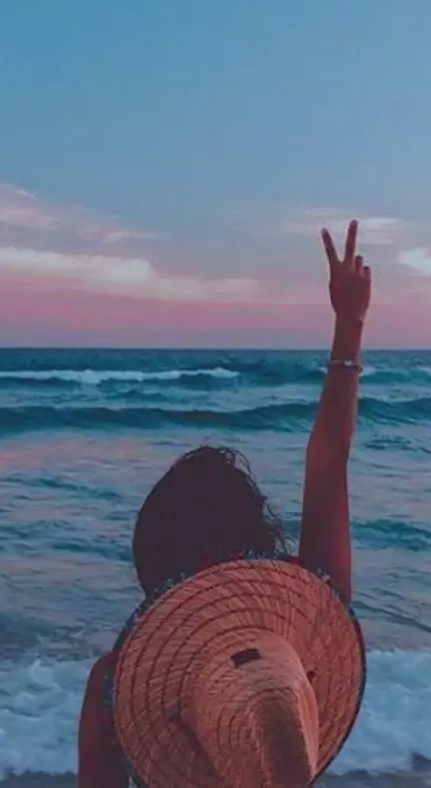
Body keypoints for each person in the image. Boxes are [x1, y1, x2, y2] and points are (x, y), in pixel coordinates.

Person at [78, 219, 371, 787]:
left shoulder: (113, 684)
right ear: (257, 538)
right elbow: (329, 462)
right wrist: (350, 324)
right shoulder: (307, 632)